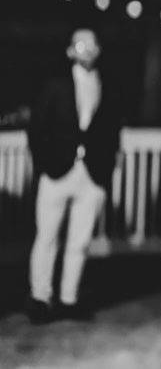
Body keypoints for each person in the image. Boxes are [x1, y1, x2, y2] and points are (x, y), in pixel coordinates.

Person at [26, 28, 121, 323]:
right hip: (56, 172)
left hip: (91, 176)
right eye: (82, 43)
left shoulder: (108, 85)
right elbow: (36, 130)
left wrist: (105, 174)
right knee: (46, 237)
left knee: (79, 242)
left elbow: (111, 133)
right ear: (70, 51)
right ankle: (41, 298)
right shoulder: (55, 85)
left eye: (93, 43)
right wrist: (44, 166)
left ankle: (69, 299)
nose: (88, 48)